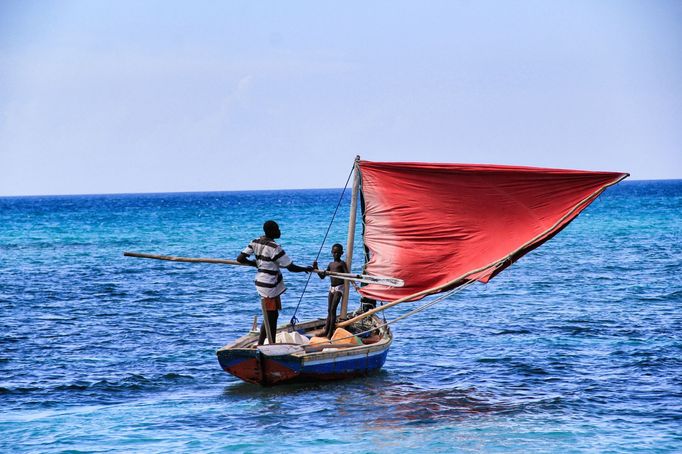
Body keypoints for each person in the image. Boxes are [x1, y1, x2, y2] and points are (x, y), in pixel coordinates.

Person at [237, 220, 312, 345]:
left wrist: (255, 263)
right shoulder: (274, 248)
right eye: (277, 229)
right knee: (269, 317)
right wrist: (305, 268)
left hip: (261, 281)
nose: (279, 231)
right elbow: (290, 267)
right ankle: (264, 344)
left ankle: (270, 342)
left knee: (273, 315)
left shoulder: (255, 241)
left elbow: (240, 258)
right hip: (269, 284)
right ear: (271, 231)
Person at [313, 243, 349, 338]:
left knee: (333, 309)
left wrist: (355, 284)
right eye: (334, 252)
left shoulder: (342, 264)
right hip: (332, 288)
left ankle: (330, 333)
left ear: (341, 253)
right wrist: (316, 268)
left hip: (339, 288)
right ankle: (326, 331)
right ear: (332, 253)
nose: (336, 254)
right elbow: (322, 276)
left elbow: (347, 275)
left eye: (338, 252)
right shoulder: (331, 264)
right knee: (329, 310)